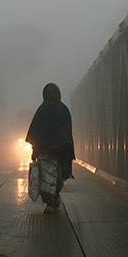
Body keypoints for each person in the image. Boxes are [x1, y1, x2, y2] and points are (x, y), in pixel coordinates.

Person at [25, 82, 75, 213]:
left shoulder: (64, 110)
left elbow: (67, 131)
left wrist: (67, 148)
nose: (50, 96)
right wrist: (35, 150)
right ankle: (49, 203)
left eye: (53, 93)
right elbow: (35, 132)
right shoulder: (42, 111)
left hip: (61, 152)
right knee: (46, 179)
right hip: (44, 151)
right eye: (47, 93)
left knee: (58, 178)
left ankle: (55, 196)